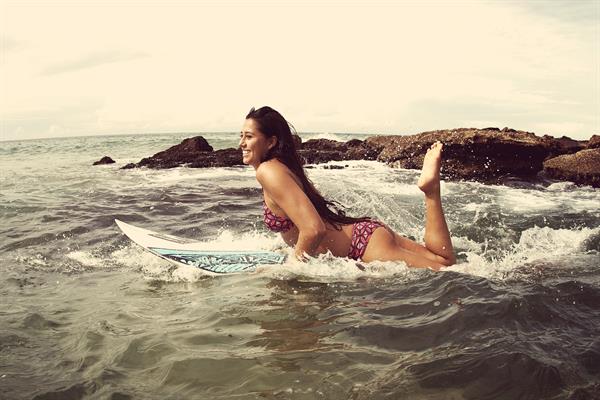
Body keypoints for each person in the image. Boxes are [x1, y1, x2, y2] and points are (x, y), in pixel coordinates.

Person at [239, 106, 456, 270]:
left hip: (361, 246)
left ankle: (431, 190)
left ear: (271, 142)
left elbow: (313, 229)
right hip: (365, 235)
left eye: (249, 137)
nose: (241, 143)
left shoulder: (268, 172)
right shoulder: (281, 169)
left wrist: (292, 268)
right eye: (241, 136)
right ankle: (431, 191)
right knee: (443, 260)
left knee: (446, 270)